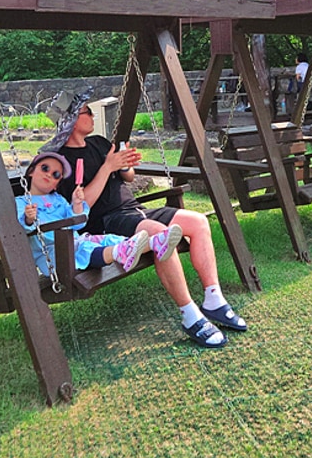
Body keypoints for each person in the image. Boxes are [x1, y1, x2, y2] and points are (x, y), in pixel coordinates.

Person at [45, 90, 247, 349]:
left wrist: (126, 164)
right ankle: (189, 314)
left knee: (198, 222)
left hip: (134, 209)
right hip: (106, 222)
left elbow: (127, 178)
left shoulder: (99, 143)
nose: (91, 114)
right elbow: (82, 209)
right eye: (86, 111)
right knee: (159, 234)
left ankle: (213, 299)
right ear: (72, 120)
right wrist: (107, 167)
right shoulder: (62, 162)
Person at [16, 151, 184, 276]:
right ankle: (122, 252)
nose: (49, 174)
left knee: (107, 239)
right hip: (55, 256)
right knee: (86, 247)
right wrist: (29, 220)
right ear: (31, 171)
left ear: (56, 185)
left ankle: (155, 242)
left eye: (56, 175)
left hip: (75, 241)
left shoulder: (58, 200)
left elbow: (77, 223)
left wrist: (76, 205)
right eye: (44, 168)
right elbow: (20, 227)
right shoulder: (21, 203)